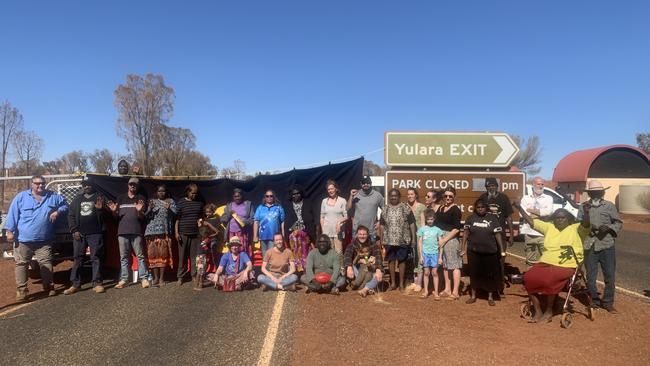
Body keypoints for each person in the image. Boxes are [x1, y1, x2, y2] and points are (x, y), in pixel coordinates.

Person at [514, 202, 590, 323]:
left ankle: (549, 311)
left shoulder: (576, 228)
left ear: (569, 219)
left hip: (567, 264)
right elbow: (532, 222)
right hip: (546, 262)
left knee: (549, 280)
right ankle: (538, 311)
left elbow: (586, 224)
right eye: (557, 218)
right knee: (528, 277)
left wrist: (586, 213)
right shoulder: (550, 227)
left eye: (563, 217)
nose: (560, 220)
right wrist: (519, 208)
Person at [5, 175, 68, 300]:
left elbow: (65, 205)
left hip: (44, 240)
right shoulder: (21, 197)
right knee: (22, 264)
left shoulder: (53, 196)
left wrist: (58, 211)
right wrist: (9, 231)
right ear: (32, 184)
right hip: (23, 240)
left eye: (43, 183)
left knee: (46, 263)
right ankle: (22, 291)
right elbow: (13, 214)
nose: (40, 186)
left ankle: (49, 287)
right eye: (37, 183)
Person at [580, 180, 623, 313]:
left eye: (598, 191)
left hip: (606, 245)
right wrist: (586, 214)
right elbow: (581, 226)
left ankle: (608, 302)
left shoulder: (609, 206)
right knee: (590, 276)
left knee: (609, 276)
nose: (596, 194)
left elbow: (618, 223)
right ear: (590, 193)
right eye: (593, 192)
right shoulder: (583, 207)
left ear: (602, 192)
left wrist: (608, 228)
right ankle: (594, 300)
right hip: (590, 245)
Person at [64, 179, 108, 295]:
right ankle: (75, 284)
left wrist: (101, 210)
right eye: (85, 185)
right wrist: (74, 230)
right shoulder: (77, 199)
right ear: (82, 187)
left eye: (89, 184)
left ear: (93, 185)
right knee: (78, 258)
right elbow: (71, 215)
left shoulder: (100, 197)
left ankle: (97, 283)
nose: (87, 186)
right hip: (80, 234)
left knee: (96, 257)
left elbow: (108, 215)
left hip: (96, 233)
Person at [107, 177, 149, 289]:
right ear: (128, 185)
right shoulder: (120, 198)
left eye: (135, 184)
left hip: (136, 231)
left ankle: (144, 278)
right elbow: (116, 217)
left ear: (137, 186)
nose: (132, 186)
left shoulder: (141, 198)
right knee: (123, 257)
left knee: (140, 256)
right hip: (122, 232)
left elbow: (142, 218)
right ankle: (124, 279)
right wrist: (114, 211)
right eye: (131, 184)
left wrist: (140, 211)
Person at [462, 199, 505, 306]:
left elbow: (498, 235)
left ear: (486, 208)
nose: (480, 209)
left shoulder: (492, 219)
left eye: (482, 207)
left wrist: (502, 249)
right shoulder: (470, 218)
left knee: (489, 275)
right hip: (474, 251)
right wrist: (462, 247)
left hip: (490, 252)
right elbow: (465, 233)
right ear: (475, 208)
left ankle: (490, 297)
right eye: (478, 207)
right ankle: (473, 296)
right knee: (474, 274)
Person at [479, 177, 514, 291]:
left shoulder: (504, 198)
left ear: (497, 186)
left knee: (500, 261)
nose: (491, 188)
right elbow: (477, 216)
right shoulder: (483, 198)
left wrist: (511, 235)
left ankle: (500, 288)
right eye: (488, 186)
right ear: (486, 187)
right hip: (485, 235)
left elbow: (509, 217)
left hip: (500, 235)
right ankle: (485, 287)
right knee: (485, 261)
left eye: (493, 185)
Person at [380, 188, 416, 292]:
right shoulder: (385, 209)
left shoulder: (405, 207)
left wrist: (413, 238)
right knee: (391, 260)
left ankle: (401, 283)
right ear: (389, 197)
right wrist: (381, 239)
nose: (393, 197)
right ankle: (393, 283)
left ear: (399, 197)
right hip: (389, 239)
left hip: (403, 239)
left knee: (402, 260)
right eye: (391, 195)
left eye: (395, 195)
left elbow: (412, 224)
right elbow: (382, 225)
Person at [143, 184, 177, 287]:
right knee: (153, 256)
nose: (161, 193)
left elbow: (176, 214)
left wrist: (170, 208)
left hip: (164, 232)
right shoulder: (152, 201)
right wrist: (150, 209)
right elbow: (145, 216)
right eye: (159, 191)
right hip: (151, 232)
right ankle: (155, 278)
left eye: (163, 191)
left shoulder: (170, 201)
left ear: (166, 192)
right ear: (156, 192)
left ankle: (162, 278)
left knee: (163, 256)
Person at [435, 187, 462, 300]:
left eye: (450, 196)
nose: (448, 198)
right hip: (441, 237)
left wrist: (444, 240)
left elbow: (456, 229)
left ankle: (455, 292)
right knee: (445, 265)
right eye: (446, 196)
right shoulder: (440, 208)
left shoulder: (456, 210)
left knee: (454, 265)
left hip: (450, 239)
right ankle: (447, 289)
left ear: (454, 197)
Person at [520, 177, 553, 267]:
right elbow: (522, 214)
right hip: (529, 232)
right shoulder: (526, 198)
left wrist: (531, 211)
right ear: (533, 185)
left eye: (542, 184)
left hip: (543, 233)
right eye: (538, 184)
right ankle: (531, 279)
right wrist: (541, 213)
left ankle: (544, 280)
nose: (541, 186)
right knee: (530, 260)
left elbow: (548, 212)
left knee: (546, 259)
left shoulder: (548, 198)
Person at [175, 183, 204, 286]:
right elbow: (177, 219)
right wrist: (176, 232)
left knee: (194, 257)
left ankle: (194, 275)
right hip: (183, 233)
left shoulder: (199, 203)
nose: (194, 195)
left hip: (195, 234)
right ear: (187, 192)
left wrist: (200, 224)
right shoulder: (181, 202)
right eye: (192, 193)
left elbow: (200, 218)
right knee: (182, 257)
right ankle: (180, 277)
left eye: (196, 193)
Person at [283, 185, 316, 273]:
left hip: (305, 233)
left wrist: (311, 235)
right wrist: (287, 235)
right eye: (294, 194)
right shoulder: (288, 205)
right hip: (293, 235)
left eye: (298, 193)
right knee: (295, 254)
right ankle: (297, 273)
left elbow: (312, 219)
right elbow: (286, 222)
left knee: (306, 253)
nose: (296, 195)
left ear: (301, 194)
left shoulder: (308, 203)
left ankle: (306, 272)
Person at [344, 226, 383, 297]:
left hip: (370, 270)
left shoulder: (373, 245)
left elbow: (378, 258)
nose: (362, 236)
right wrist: (349, 267)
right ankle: (366, 286)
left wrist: (378, 269)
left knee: (380, 272)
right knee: (348, 266)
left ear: (368, 235)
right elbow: (347, 256)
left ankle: (365, 288)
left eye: (364, 234)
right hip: (357, 271)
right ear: (357, 235)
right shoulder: (352, 245)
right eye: (360, 234)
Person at [417, 209, 444, 300]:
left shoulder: (438, 230)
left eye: (431, 219)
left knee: (434, 272)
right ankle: (426, 291)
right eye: (428, 219)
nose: (430, 221)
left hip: (435, 254)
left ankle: (436, 293)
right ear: (425, 219)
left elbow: (441, 244)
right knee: (426, 272)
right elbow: (420, 243)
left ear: (434, 219)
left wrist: (440, 257)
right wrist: (421, 256)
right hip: (425, 254)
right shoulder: (422, 229)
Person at [347, 175, 384, 241]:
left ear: (371, 183)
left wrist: (379, 222)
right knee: (357, 251)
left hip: (371, 231)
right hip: (357, 231)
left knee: (371, 251)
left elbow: (385, 210)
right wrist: (351, 196)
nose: (365, 184)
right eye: (363, 183)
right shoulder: (356, 194)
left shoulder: (377, 195)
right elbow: (347, 208)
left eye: (367, 182)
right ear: (361, 184)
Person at [220, 188, 255, 257]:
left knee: (242, 249)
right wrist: (228, 215)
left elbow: (252, 219)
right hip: (231, 232)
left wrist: (244, 222)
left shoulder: (248, 205)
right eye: (235, 196)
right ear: (233, 197)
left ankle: (243, 266)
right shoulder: (229, 206)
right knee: (232, 250)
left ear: (242, 196)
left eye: (238, 196)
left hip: (242, 232)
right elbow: (223, 218)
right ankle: (233, 266)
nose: (237, 198)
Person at [320, 179, 348, 262]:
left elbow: (346, 216)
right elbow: (322, 217)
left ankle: (341, 271)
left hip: (338, 232)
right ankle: (331, 271)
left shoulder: (342, 201)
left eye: (332, 188)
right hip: (327, 232)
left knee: (339, 252)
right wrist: (323, 230)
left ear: (336, 188)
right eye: (328, 189)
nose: (330, 191)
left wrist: (339, 222)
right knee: (329, 252)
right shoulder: (324, 201)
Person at [253, 189, 285, 256]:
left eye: (271, 196)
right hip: (262, 236)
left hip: (274, 237)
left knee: (272, 255)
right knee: (265, 257)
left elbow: (282, 221)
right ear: (264, 197)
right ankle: (265, 267)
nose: (269, 197)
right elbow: (256, 222)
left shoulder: (278, 207)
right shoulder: (260, 207)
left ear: (274, 197)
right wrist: (255, 236)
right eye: (267, 196)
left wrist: (283, 234)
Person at [406, 187, 427, 292]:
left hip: (419, 236)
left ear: (416, 195)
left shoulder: (421, 207)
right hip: (408, 237)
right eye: (408, 194)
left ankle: (419, 283)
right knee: (412, 259)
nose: (410, 196)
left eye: (412, 194)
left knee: (419, 258)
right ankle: (414, 282)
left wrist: (422, 237)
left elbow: (423, 223)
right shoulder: (405, 207)